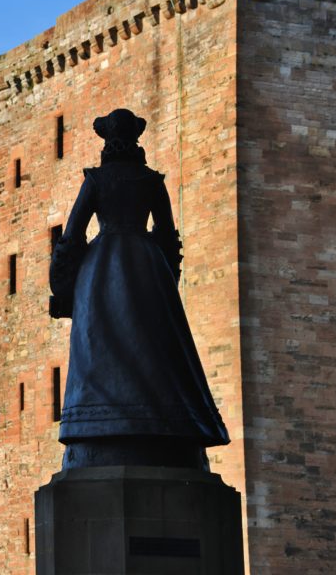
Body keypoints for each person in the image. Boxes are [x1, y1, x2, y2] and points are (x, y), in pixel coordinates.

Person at [49, 108, 229, 470]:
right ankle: (161, 418)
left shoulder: (96, 181)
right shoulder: (151, 181)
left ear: (106, 140)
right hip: (147, 266)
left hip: (101, 268)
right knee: (156, 345)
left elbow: (71, 236)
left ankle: (102, 418)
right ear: (136, 139)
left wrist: (65, 287)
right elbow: (167, 235)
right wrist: (166, 283)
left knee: (98, 347)